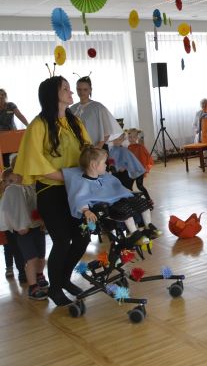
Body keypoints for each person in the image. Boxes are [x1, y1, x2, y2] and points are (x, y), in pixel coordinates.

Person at [14, 76, 91, 306]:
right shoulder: (38, 126)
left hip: (75, 189)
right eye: (66, 89)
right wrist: (67, 177)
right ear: (53, 95)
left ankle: (63, 279)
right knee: (62, 240)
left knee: (83, 238)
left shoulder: (74, 122)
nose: (72, 92)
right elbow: (35, 162)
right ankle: (55, 289)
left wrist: (96, 164)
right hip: (50, 191)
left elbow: (87, 150)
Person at [62, 146, 158, 245]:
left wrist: (130, 193)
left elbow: (119, 188)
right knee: (125, 211)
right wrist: (86, 211)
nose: (106, 165)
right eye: (104, 163)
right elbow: (81, 198)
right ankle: (134, 234)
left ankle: (149, 227)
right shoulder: (84, 183)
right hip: (110, 208)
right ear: (94, 165)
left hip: (121, 201)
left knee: (143, 203)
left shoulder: (106, 177)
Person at [0, 167, 48, 300]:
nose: (12, 182)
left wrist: (42, 221)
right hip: (23, 231)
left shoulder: (29, 188)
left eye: (14, 179)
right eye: (9, 181)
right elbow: (6, 213)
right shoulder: (11, 192)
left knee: (41, 256)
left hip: (37, 227)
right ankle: (33, 286)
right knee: (31, 258)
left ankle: (39, 275)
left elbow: (35, 207)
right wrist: (17, 226)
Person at [69, 76, 122, 147]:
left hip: (96, 148)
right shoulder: (72, 108)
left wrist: (98, 147)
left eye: (85, 89)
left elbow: (107, 131)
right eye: (79, 89)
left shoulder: (98, 107)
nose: (81, 92)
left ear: (90, 90)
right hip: (76, 148)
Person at [108, 133, 151, 202]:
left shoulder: (124, 150)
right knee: (120, 188)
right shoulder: (112, 149)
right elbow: (111, 159)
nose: (117, 141)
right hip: (118, 172)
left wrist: (123, 167)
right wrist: (112, 165)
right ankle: (127, 202)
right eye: (115, 140)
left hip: (130, 171)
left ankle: (148, 200)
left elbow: (129, 162)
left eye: (119, 140)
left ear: (122, 140)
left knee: (134, 187)